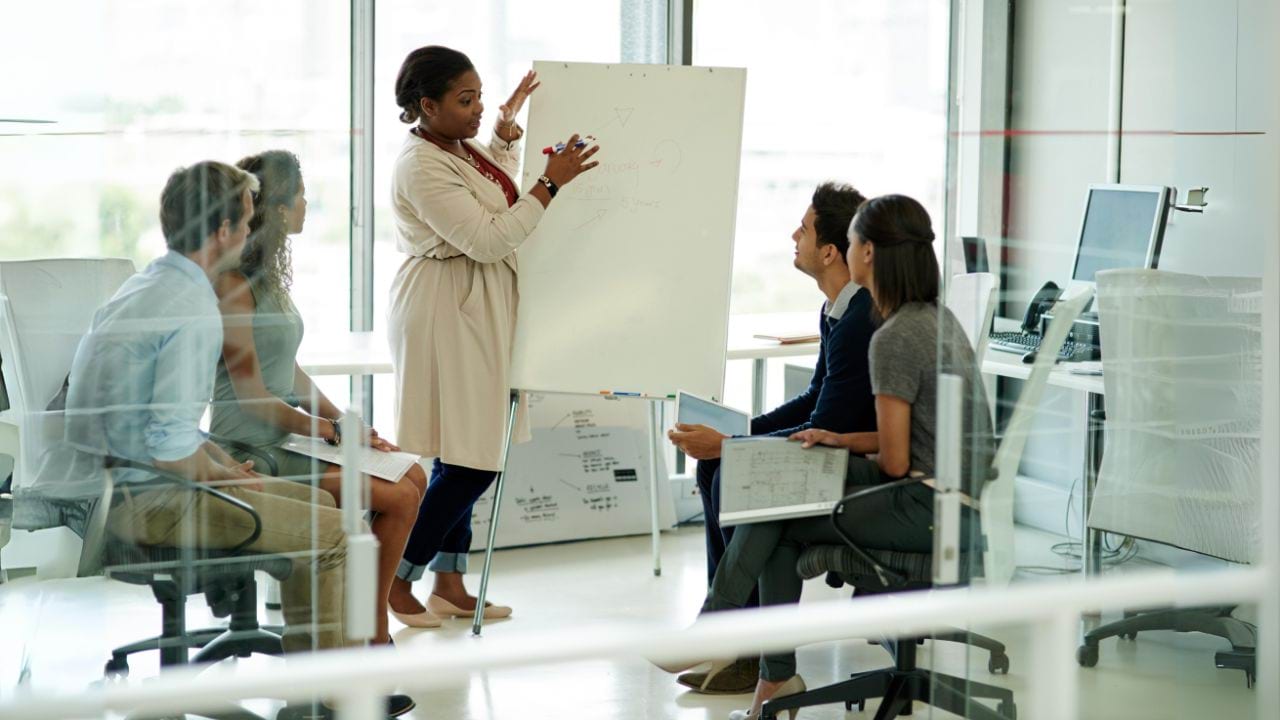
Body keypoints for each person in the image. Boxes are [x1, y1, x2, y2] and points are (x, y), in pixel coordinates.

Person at [44, 161, 411, 718]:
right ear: (222, 232)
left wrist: (220, 464)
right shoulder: (193, 309)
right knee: (337, 531)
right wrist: (220, 471)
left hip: (117, 487)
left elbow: (167, 427)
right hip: (147, 502)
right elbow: (172, 446)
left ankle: (313, 690)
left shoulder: (151, 284)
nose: (249, 231)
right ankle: (338, 701)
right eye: (244, 221)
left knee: (318, 505)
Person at [660, 194, 995, 720]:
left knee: (779, 510)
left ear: (862, 254)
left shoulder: (891, 334)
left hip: (929, 507)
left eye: (858, 241)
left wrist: (748, 445)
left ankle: (741, 648)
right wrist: (840, 440)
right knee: (780, 500)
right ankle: (766, 675)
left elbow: (895, 463)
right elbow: (899, 444)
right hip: (951, 497)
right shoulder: (932, 317)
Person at [385, 45, 600, 626]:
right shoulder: (419, 164)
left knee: (468, 445)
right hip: (446, 306)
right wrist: (549, 186)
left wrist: (504, 137)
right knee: (476, 455)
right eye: (465, 100)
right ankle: (397, 577)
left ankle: (448, 582)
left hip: (474, 302)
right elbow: (487, 236)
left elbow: (492, 192)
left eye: (479, 95)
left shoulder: (455, 146)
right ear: (426, 106)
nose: (478, 108)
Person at [211, 150, 429, 645]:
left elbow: (287, 367)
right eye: (302, 196)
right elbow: (252, 398)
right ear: (281, 210)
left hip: (288, 437)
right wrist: (330, 432)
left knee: (414, 475)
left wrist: (342, 419)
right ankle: (372, 630)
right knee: (398, 495)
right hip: (251, 447)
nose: (307, 205)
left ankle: (366, 620)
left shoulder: (269, 278)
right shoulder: (232, 284)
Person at [666, 182, 877, 693]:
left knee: (726, 468)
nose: (793, 236)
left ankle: (738, 639)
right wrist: (736, 434)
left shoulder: (858, 320)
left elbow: (825, 421)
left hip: (849, 463)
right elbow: (812, 399)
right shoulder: (837, 311)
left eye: (803, 230)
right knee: (715, 465)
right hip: (828, 444)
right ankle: (739, 640)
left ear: (830, 251)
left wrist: (731, 445)